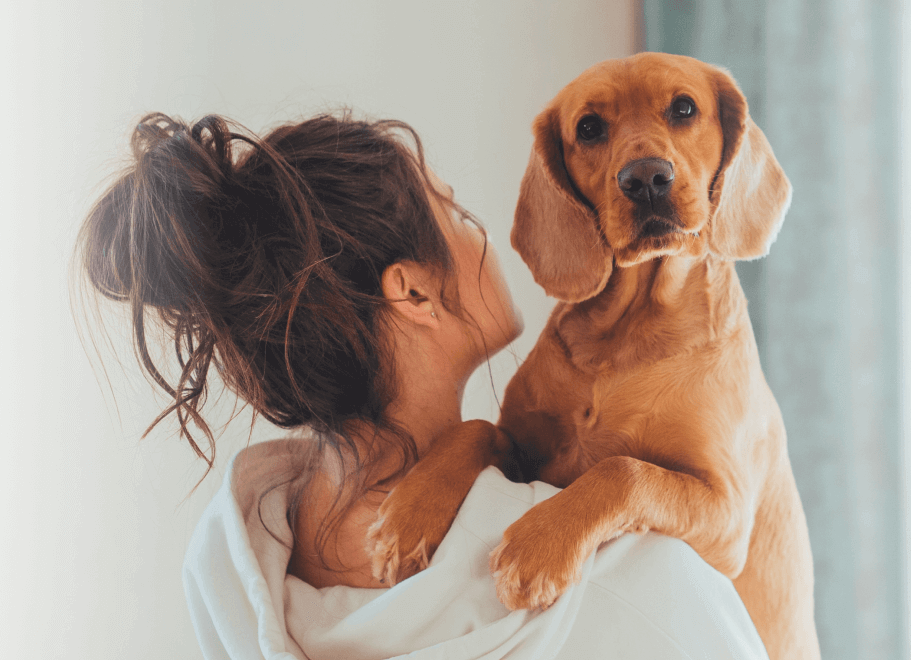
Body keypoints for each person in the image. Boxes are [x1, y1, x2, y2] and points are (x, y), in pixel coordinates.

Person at [79, 112, 768, 659]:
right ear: (412, 293)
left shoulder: (229, 579)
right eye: (460, 215)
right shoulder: (623, 578)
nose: (487, 236)